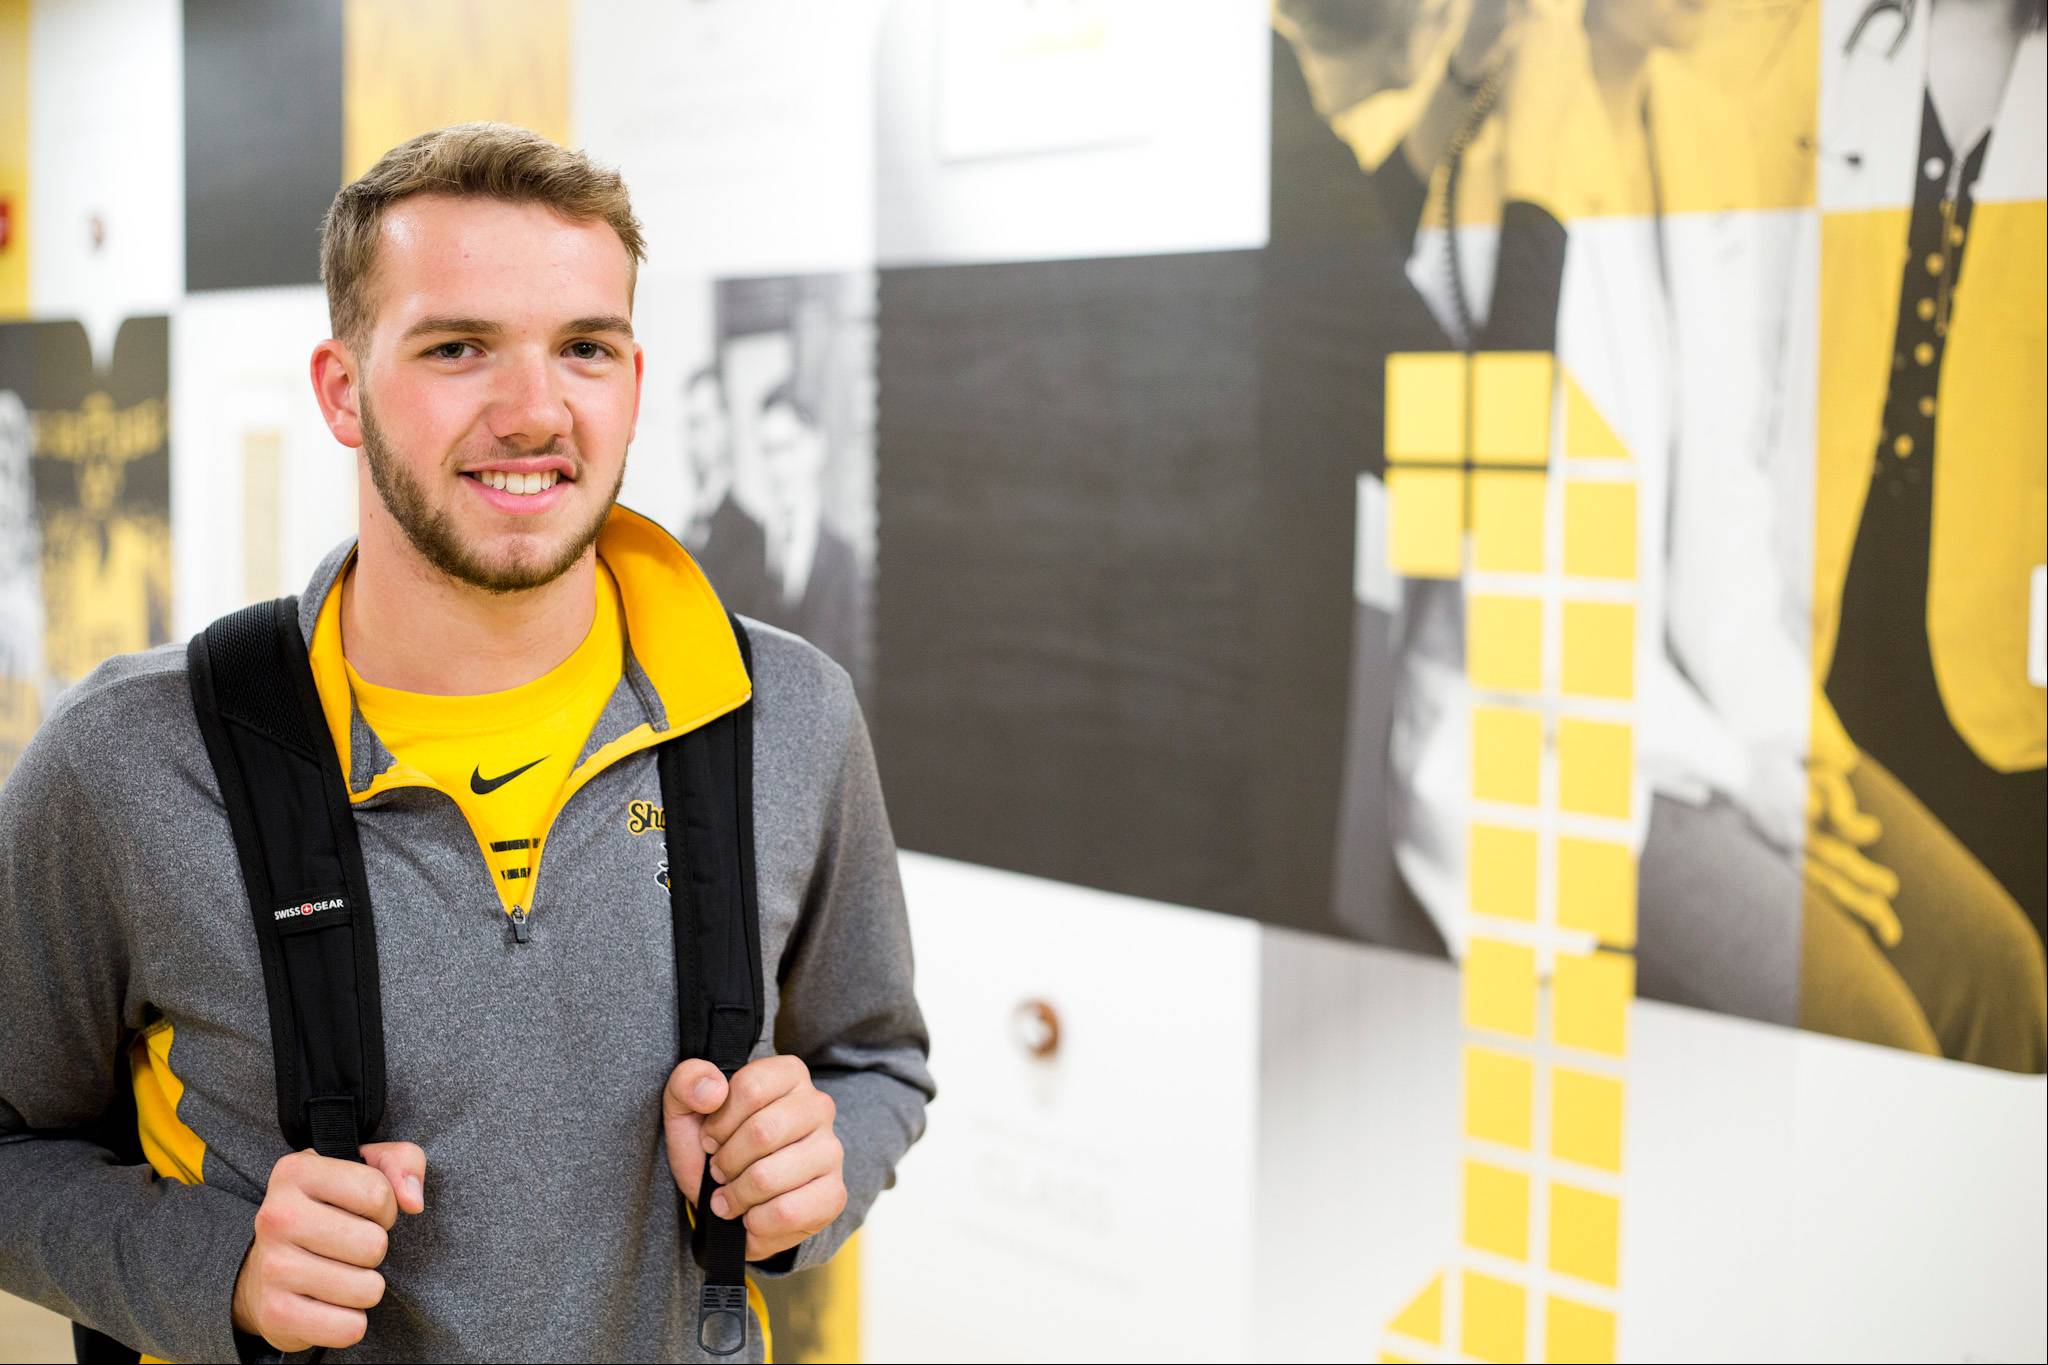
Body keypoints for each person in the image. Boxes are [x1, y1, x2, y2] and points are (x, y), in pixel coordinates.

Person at [0, 123, 933, 1361]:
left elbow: (875, 1060)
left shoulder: (787, 715)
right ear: (342, 389)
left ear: (633, 382)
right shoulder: (128, 761)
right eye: (457, 348)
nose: (535, 411)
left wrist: (816, 1167)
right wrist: (218, 1270)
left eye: (584, 348)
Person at [755, 382, 870, 694]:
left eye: (787, 447)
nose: (778, 467)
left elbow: (857, 672)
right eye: (768, 452)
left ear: (816, 448)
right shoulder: (751, 552)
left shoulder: (844, 559)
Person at [678, 363, 773, 620]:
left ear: (724, 427)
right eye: (687, 426)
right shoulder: (689, 526)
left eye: (699, 424)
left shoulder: (748, 534)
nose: (690, 441)